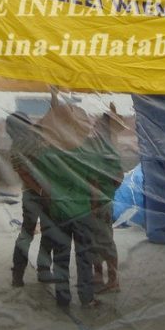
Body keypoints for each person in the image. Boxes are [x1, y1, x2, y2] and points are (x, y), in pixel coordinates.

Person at [38, 87, 99, 309]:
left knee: (60, 256)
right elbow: (94, 184)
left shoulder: (50, 153)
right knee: (84, 256)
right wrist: (93, 207)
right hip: (82, 211)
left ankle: (62, 298)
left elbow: (44, 185)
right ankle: (87, 297)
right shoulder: (86, 153)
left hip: (58, 213)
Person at [7, 112, 56, 287]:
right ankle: (39, 271)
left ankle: (20, 274)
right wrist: (42, 191)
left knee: (31, 233)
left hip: (36, 193)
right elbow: (24, 174)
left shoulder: (22, 143)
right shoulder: (23, 144)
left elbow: (47, 121)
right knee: (41, 232)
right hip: (37, 193)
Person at [85, 103, 126, 293]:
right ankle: (101, 275)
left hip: (98, 203)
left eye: (98, 124)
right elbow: (119, 177)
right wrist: (109, 191)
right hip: (104, 200)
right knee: (99, 240)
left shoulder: (101, 150)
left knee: (103, 240)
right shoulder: (110, 149)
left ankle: (111, 279)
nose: (95, 127)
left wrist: (97, 198)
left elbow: (94, 178)